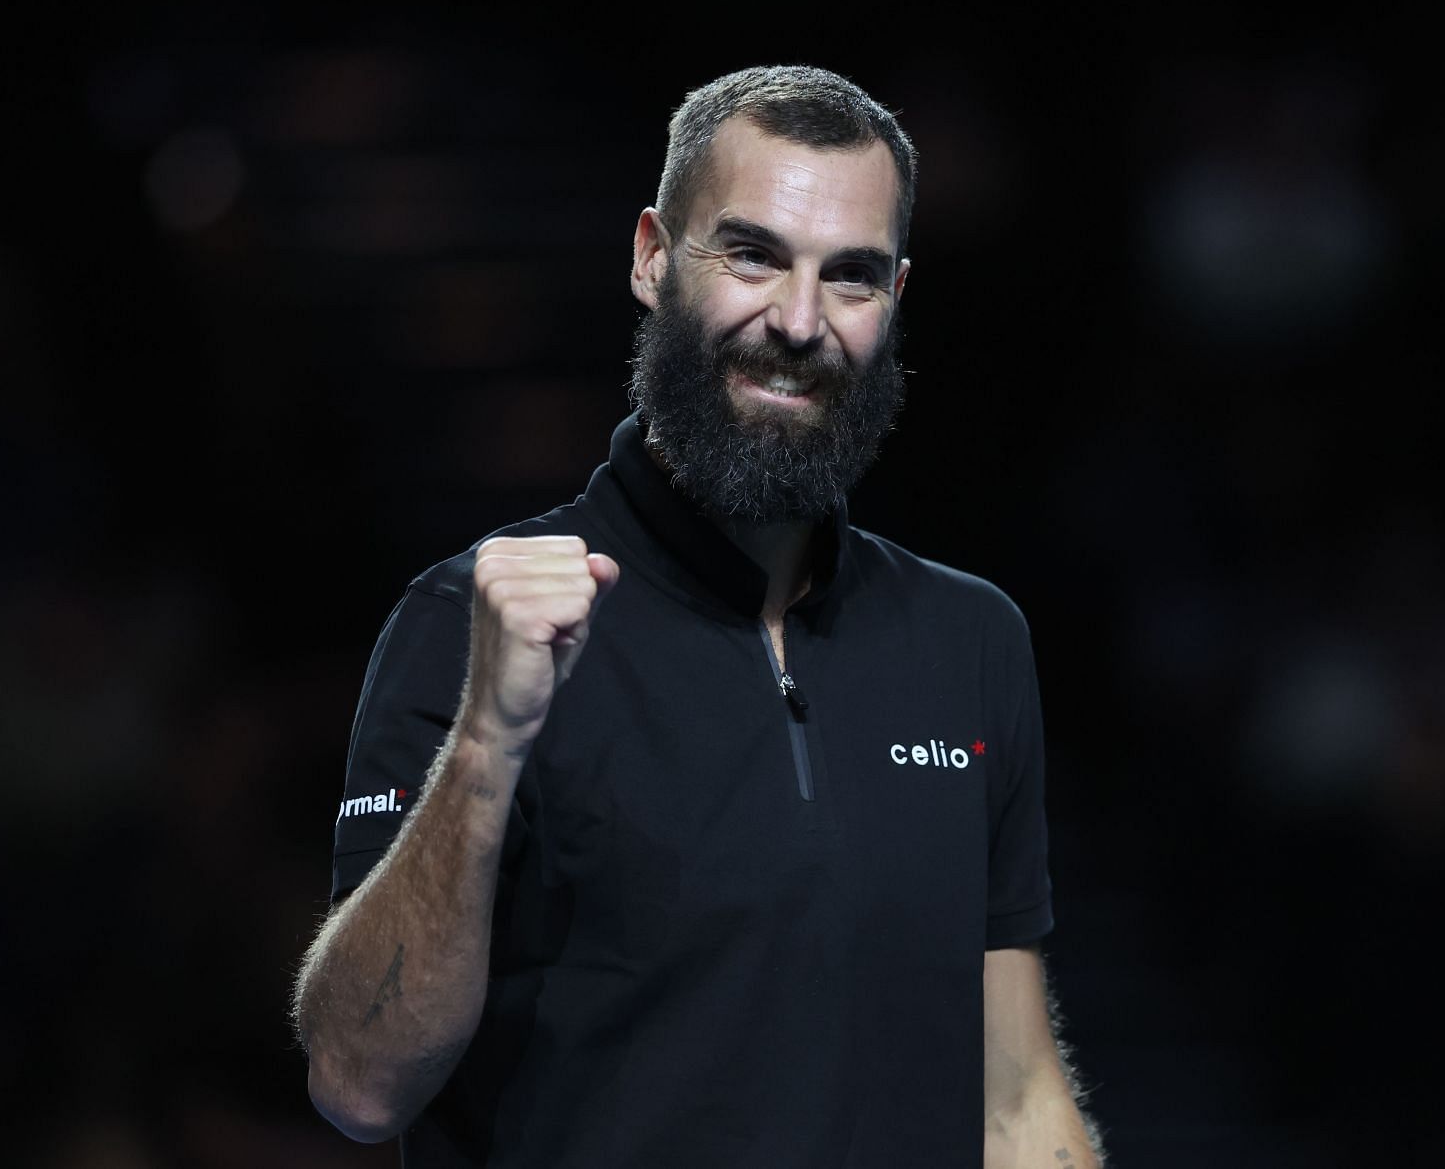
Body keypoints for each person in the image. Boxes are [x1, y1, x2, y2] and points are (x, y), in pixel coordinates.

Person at [291, 65, 1103, 1167]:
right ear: (653, 257)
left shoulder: (971, 641)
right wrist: (491, 738)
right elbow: (356, 1082)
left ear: (896, 298)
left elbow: (1015, 1107)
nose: (800, 321)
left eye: (851, 276)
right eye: (755, 254)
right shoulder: (465, 623)